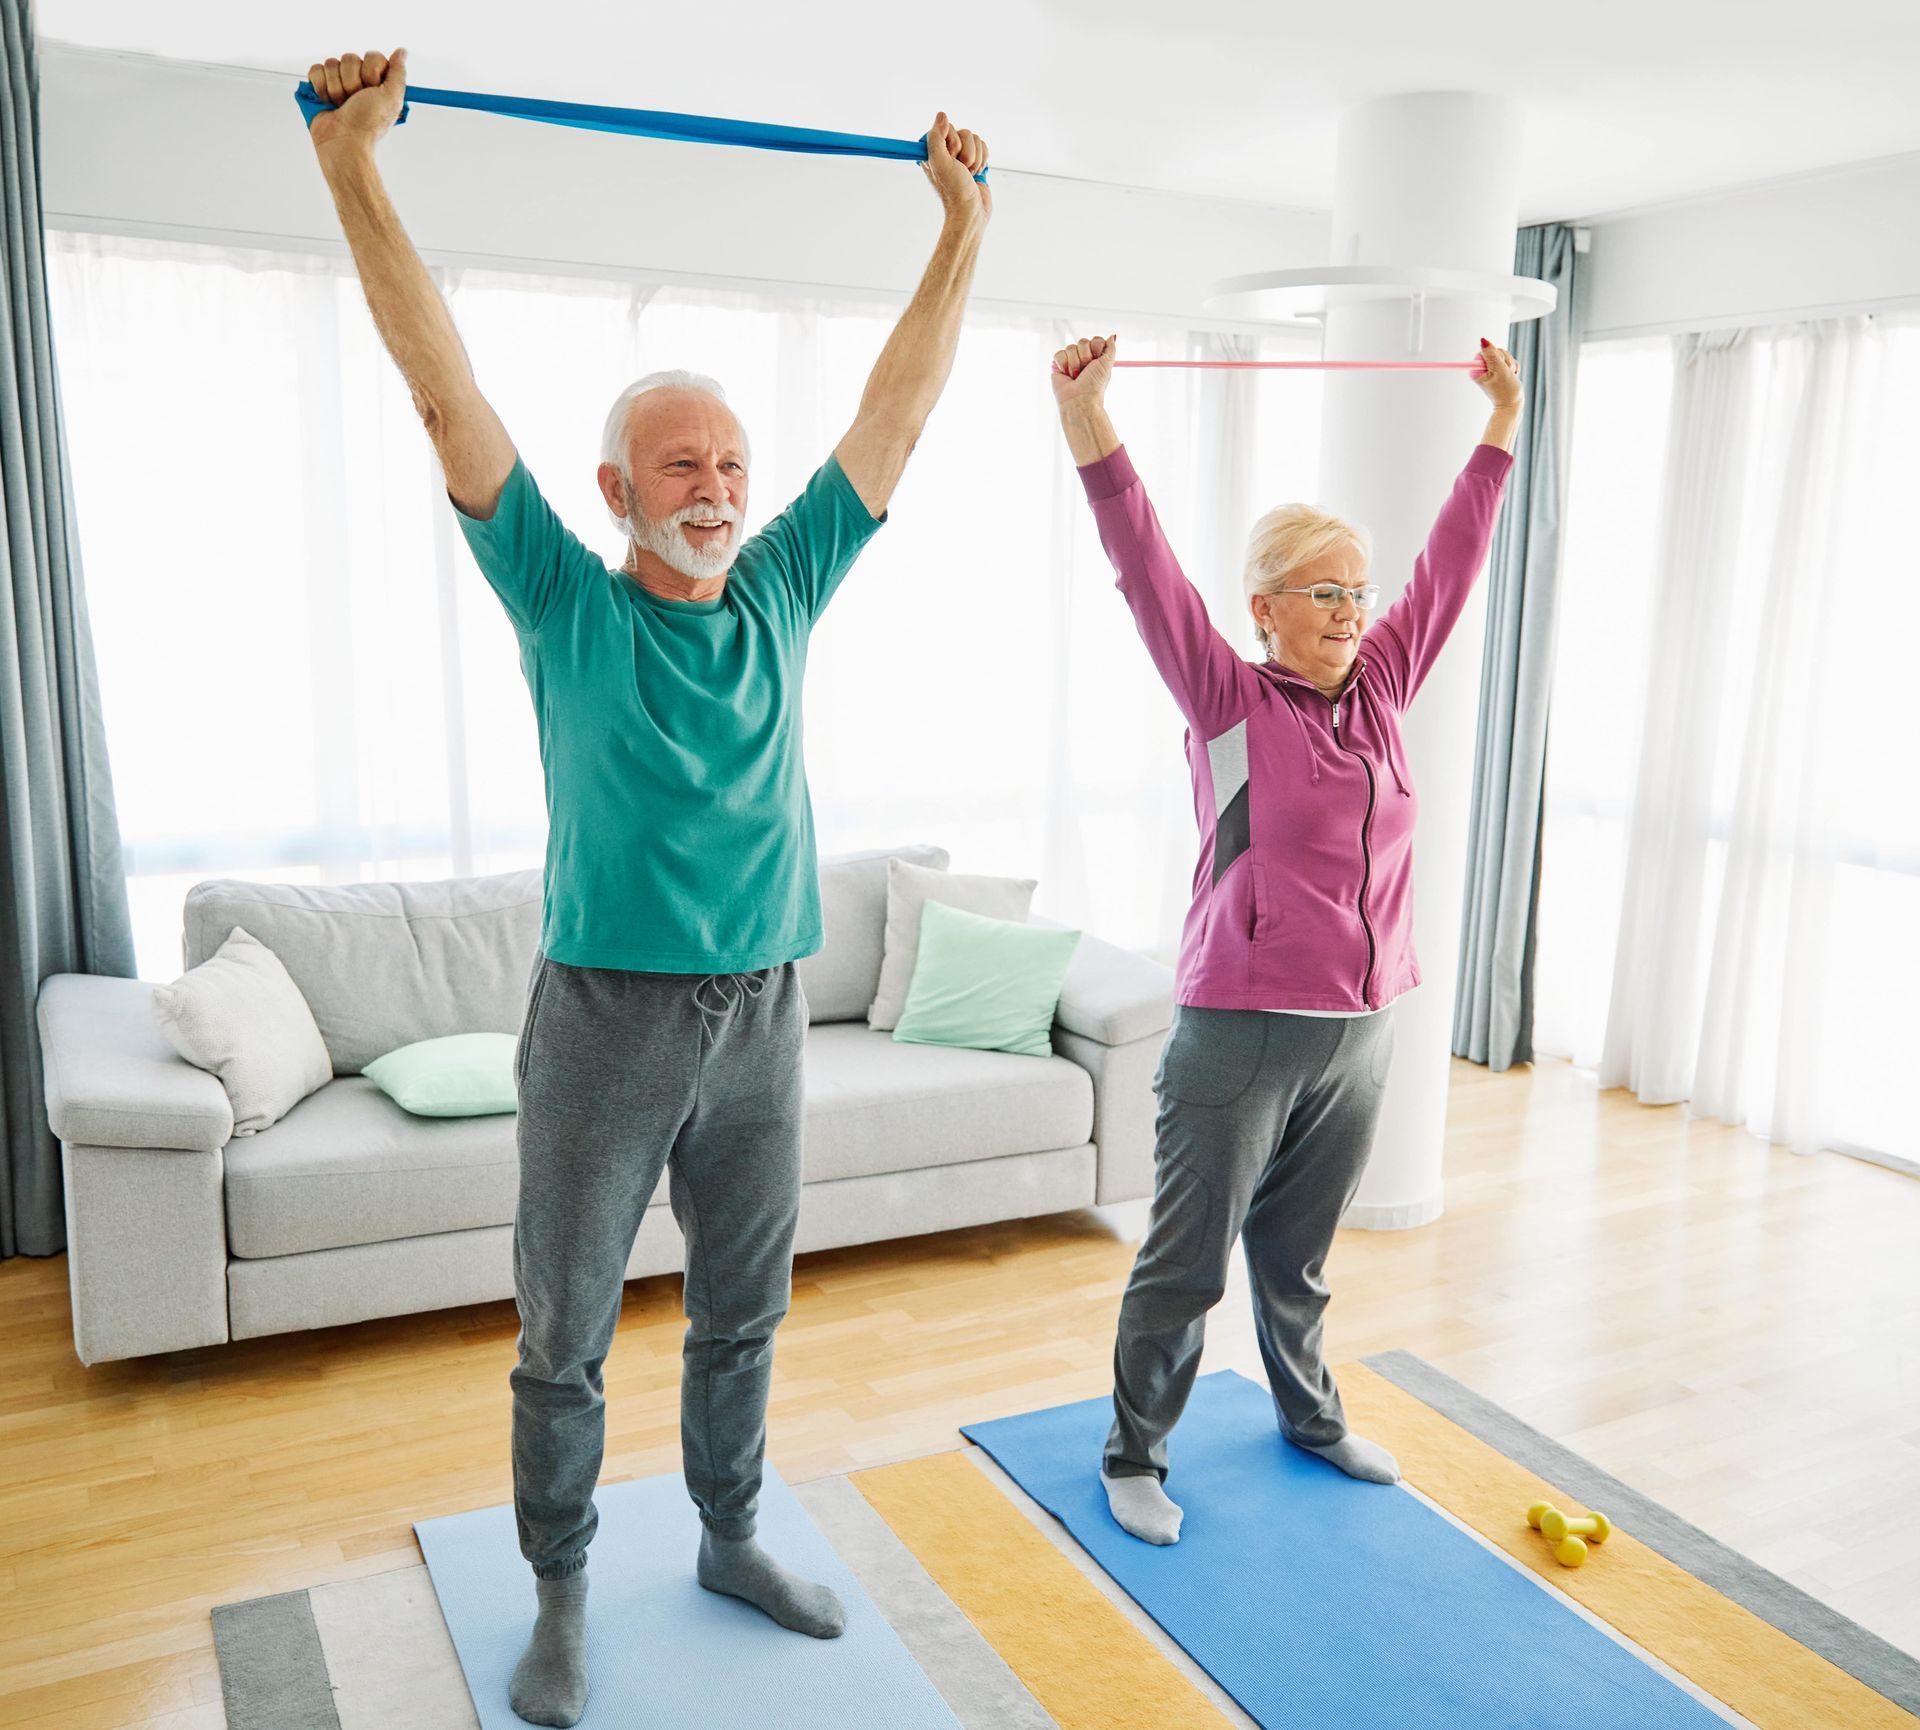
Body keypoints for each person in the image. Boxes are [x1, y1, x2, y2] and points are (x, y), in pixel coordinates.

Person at [304, 48, 991, 1727]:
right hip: (603, 1017)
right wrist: (352, 167)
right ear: (615, 492)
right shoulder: (567, 601)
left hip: (762, 1014)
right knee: (565, 1338)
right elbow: (443, 388)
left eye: (731, 465)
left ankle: (731, 1533)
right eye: (680, 467)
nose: (717, 490)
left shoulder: (783, 588)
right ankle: (557, 1593)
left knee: (741, 1318)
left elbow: (895, 411)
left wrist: (963, 227)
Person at [1049, 330, 1522, 1544]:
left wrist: (1501, 425)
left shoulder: (1380, 690)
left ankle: (1308, 1416)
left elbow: (1454, 566)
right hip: (1241, 1024)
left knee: (1299, 1256)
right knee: (1189, 1258)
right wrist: (1090, 422)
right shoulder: (1229, 697)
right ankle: (1134, 1450)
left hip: (1364, 1025)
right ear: (1265, 608)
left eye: (1358, 591)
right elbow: (1142, 562)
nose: (1353, 612)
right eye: (1326, 592)